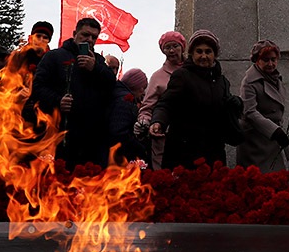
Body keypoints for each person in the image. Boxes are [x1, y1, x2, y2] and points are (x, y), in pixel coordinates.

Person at [25, 18, 116, 169]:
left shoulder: (99, 62)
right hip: (59, 136)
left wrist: (95, 68)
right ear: (75, 34)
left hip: (91, 139)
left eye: (94, 37)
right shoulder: (54, 56)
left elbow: (111, 85)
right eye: (86, 35)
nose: (90, 40)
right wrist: (57, 101)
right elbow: (38, 87)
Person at [150, 30, 238, 170]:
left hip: (213, 151)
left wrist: (236, 104)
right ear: (192, 54)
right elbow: (166, 103)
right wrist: (158, 121)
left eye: (208, 51)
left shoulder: (222, 82)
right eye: (199, 51)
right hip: (185, 152)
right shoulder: (182, 76)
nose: (204, 56)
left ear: (215, 55)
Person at [236, 40, 289, 172]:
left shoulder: (275, 78)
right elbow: (249, 112)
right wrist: (274, 130)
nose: (271, 64)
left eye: (274, 59)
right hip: (256, 143)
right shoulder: (249, 81)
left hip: (273, 141)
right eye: (266, 60)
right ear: (257, 60)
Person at [136, 31, 186, 169]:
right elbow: (147, 108)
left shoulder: (193, 71)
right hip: (165, 138)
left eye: (175, 46)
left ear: (183, 47)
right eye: (167, 47)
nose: (171, 50)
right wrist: (144, 122)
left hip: (191, 138)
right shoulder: (157, 77)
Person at [109, 68, 149, 164]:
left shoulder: (117, 94)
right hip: (120, 158)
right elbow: (120, 132)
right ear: (135, 85)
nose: (143, 92)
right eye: (143, 87)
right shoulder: (125, 100)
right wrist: (140, 147)